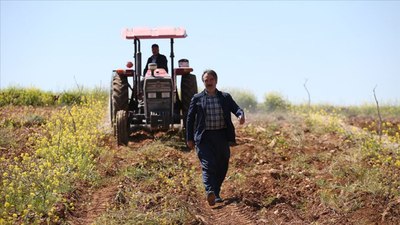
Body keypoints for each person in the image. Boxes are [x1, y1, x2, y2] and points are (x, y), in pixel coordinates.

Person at [186, 69, 245, 206]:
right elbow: (189, 119)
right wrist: (189, 138)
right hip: (204, 137)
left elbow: (236, 108)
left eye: (211, 80)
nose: (209, 83)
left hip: (221, 135)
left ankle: (216, 193)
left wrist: (240, 115)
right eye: (206, 80)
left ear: (216, 81)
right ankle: (209, 191)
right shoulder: (197, 98)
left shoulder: (225, 97)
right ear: (203, 82)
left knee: (222, 164)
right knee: (208, 165)